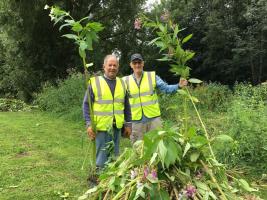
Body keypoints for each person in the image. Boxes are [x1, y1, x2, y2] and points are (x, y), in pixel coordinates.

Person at [123, 53, 187, 144]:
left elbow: (166, 89)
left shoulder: (152, 77)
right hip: (136, 122)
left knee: (157, 146)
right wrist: (125, 123)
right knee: (138, 150)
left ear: (143, 63)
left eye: (139, 62)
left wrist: (179, 86)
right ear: (131, 65)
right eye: (134, 63)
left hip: (154, 120)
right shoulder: (124, 81)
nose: (137, 65)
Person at [83, 55, 131, 171]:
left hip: (116, 127)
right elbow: (86, 104)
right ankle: (98, 182)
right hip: (101, 128)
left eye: (115, 65)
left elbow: (127, 106)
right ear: (104, 66)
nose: (112, 68)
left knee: (114, 155)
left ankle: (110, 182)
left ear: (118, 67)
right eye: (110, 65)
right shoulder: (95, 83)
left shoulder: (122, 83)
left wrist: (128, 124)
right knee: (101, 156)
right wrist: (89, 124)